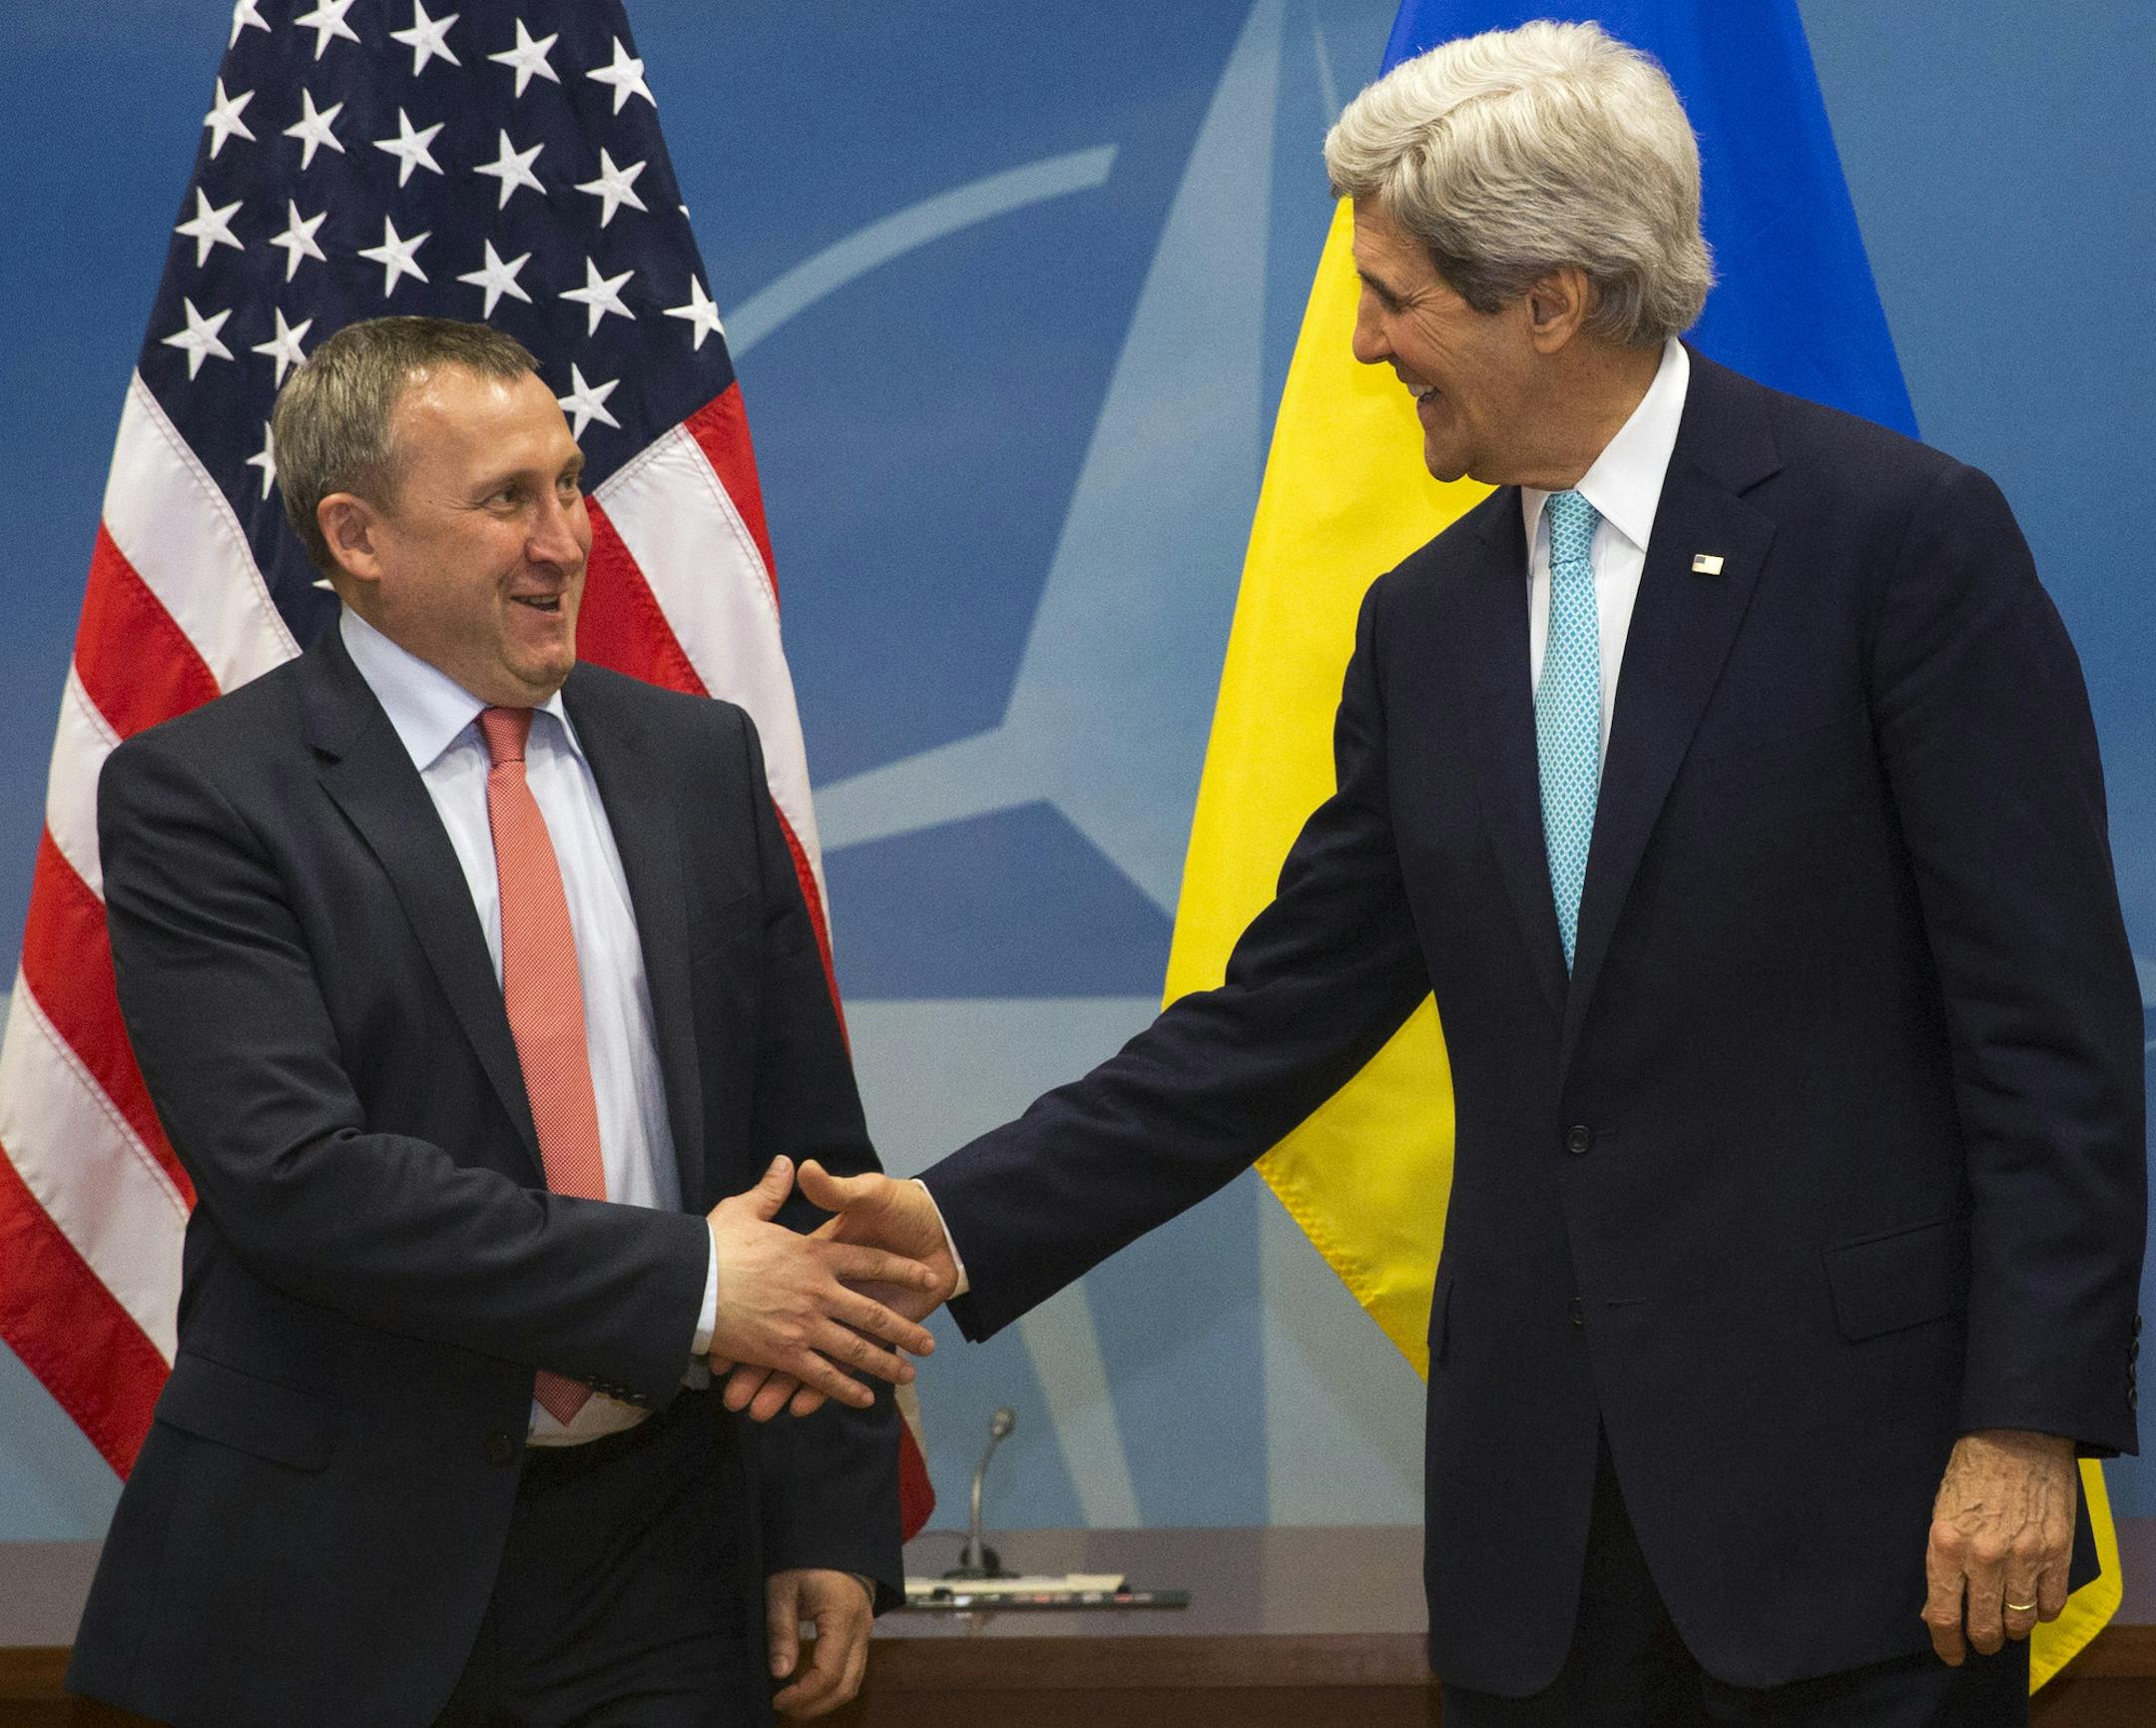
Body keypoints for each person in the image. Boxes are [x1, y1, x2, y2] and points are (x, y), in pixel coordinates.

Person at [726, 22, 2145, 1726]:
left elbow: (2050, 1033)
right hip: (1537, 1545)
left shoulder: (1896, 545)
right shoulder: (1422, 622)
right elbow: (1274, 1021)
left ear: (1551, 296)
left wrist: (2025, 1424)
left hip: (1855, 1520)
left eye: (1395, 294)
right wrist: (955, 1222)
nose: (1361, 337)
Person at [67, 315, 941, 1728]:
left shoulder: (699, 761)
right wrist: (693, 1289)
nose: (566, 539)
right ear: (355, 536)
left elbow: (810, 1164)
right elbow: (298, 1179)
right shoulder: (206, 797)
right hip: (339, 1574)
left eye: (571, 483)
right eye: (506, 500)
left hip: (664, 1555)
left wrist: (827, 1518)